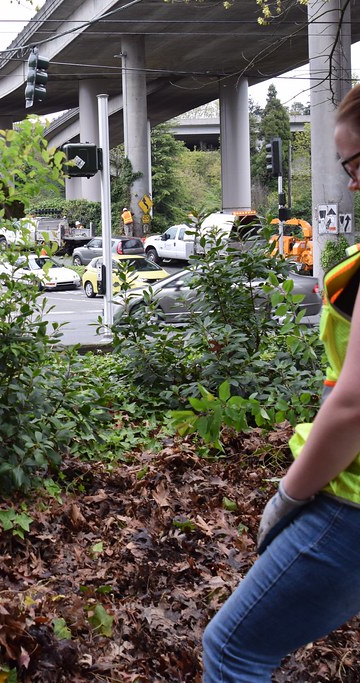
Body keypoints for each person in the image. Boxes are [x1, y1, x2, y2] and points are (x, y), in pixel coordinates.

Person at [202, 82, 360, 681]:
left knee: (232, 649)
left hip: (348, 503)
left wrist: (286, 499)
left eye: (355, 163)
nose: (350, 182)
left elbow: (353, 405)